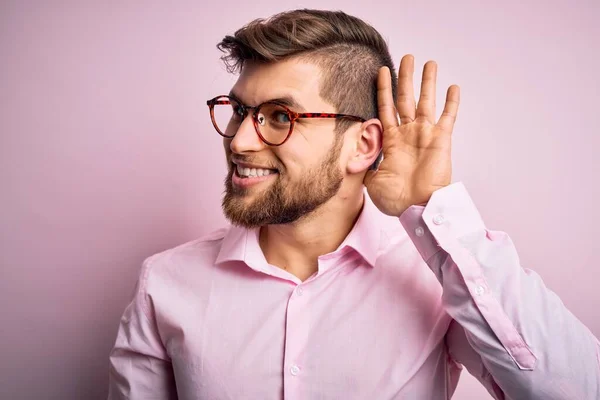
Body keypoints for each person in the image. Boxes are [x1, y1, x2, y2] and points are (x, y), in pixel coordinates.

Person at [107, 9, 600, 400]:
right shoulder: (165, 284)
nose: (238, 141)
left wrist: (433, 210)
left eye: (280, 115)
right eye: (239, 111)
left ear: (364, 145)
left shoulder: (438, 281)